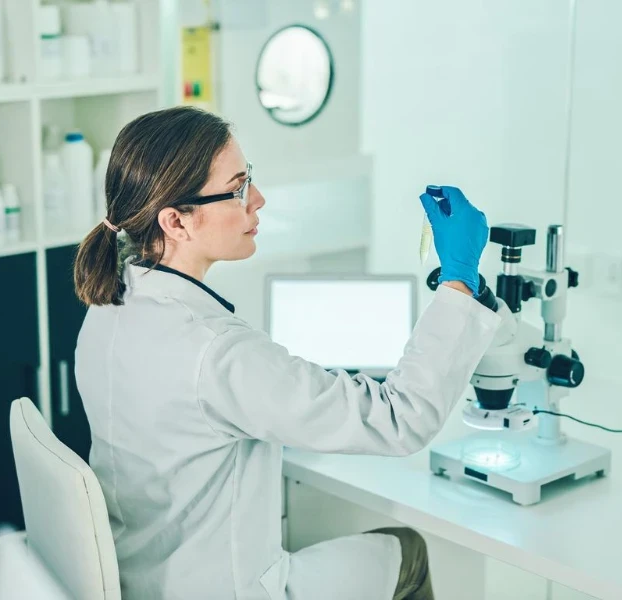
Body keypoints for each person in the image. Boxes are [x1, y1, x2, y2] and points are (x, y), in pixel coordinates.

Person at [72, 106, 500, 600]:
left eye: (248, 178)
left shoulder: (108, 308)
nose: (257, 199)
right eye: (236, 189)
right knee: (408, 549)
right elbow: (400, 420)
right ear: (176, 221)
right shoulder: (217, 353)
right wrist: (459, 282)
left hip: (146, 575)